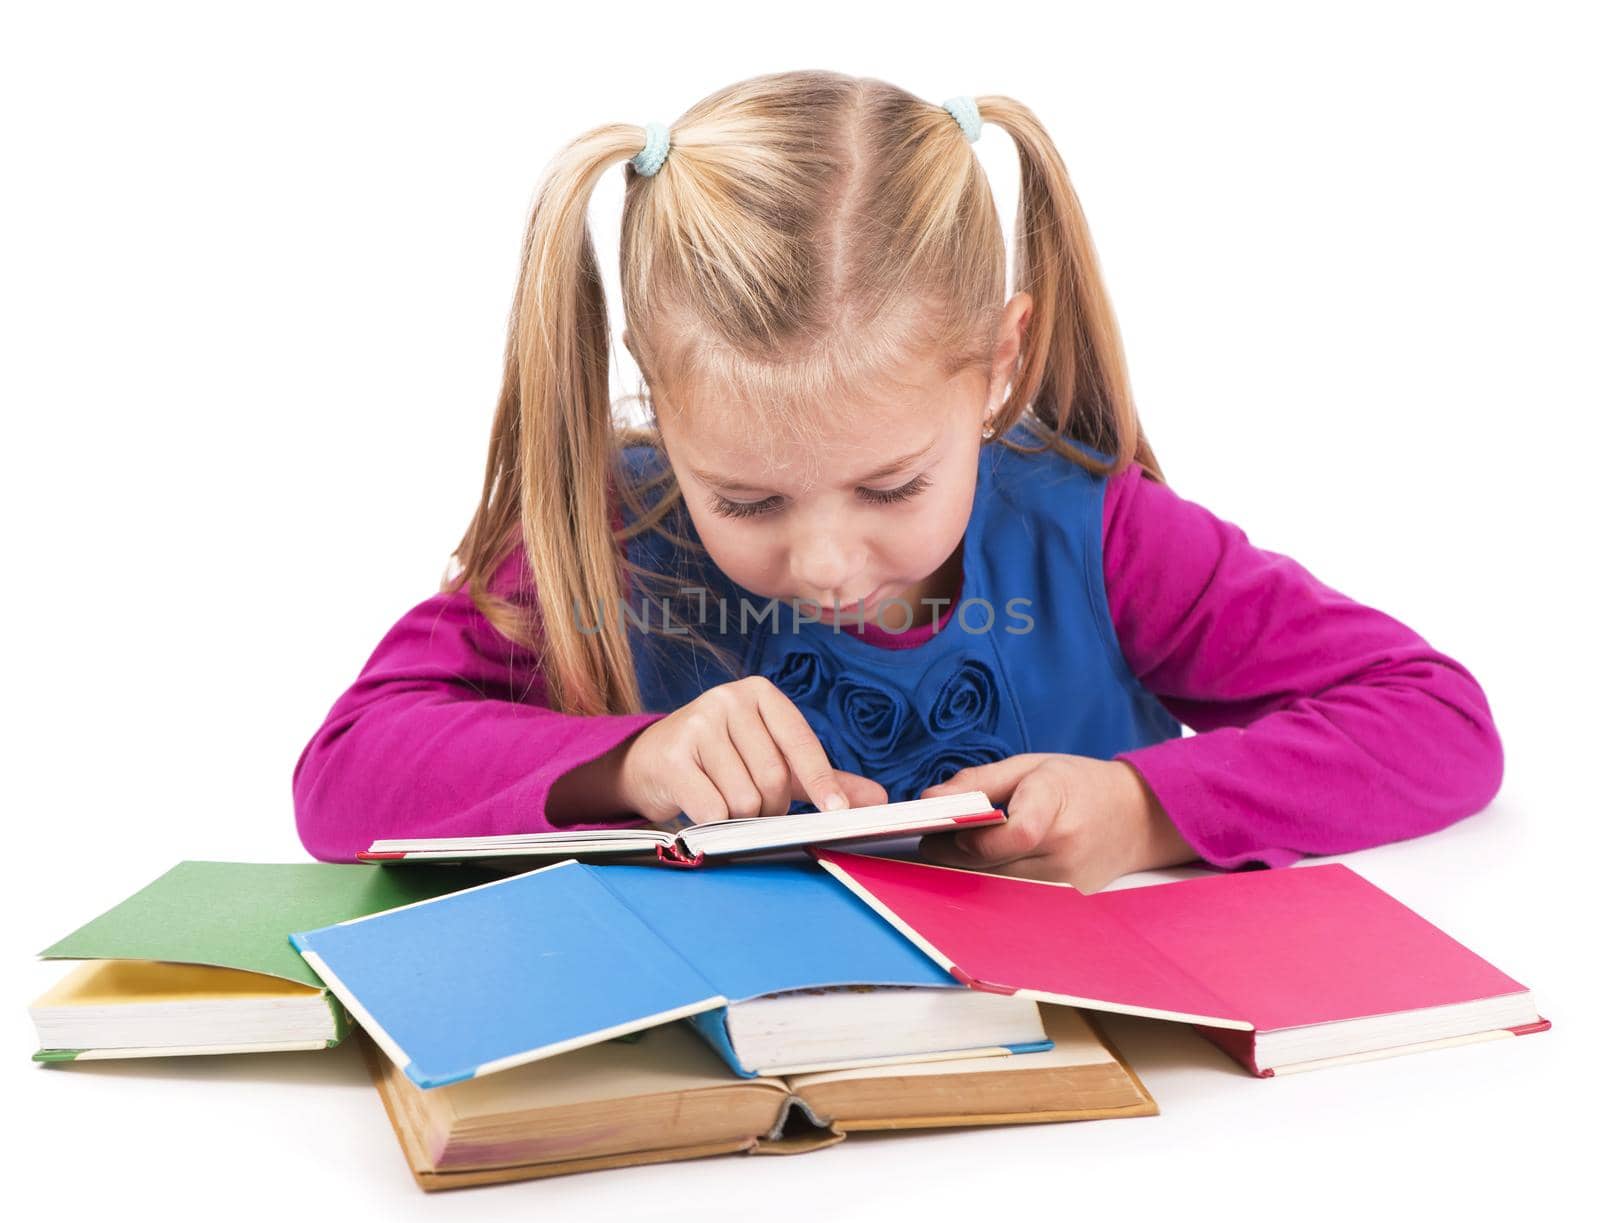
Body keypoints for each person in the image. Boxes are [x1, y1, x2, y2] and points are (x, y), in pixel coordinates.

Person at [291, 71, 1502, 891]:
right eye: (749, 501)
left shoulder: (1092, 528)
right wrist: (627, 762)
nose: (823, 561)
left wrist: (1141, 807)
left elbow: (1436, 718)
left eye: (889, 486)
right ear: (659, 400)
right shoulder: (607, 535)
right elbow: (342, 773)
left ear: (997, 367)